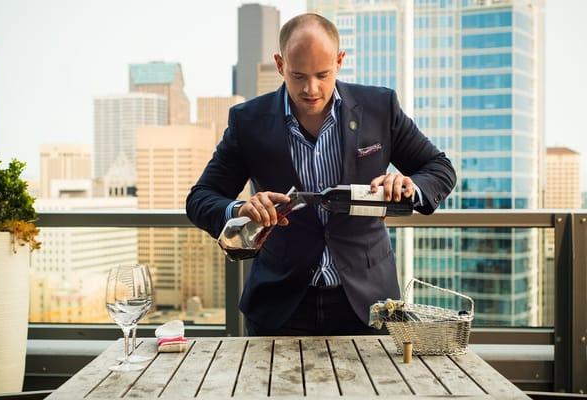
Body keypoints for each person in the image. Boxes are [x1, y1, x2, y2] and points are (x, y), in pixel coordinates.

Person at [186, 13, 456, 336]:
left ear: (340, 61)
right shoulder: (249, 122)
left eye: (322, 75)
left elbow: (440, 169)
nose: (311, 89)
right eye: (298, 75)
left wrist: (408, 186)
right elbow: (199, 199)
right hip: (279, 307)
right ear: (280, 64)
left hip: (367, 305)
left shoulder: (379, 107)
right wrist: (239, 210)